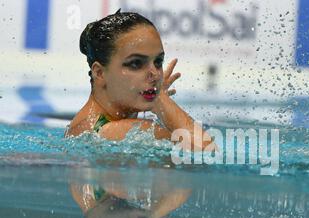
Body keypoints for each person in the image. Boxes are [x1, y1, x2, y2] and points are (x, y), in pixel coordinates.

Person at [65, 10, 210, 150]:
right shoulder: (113, 131)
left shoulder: (91, 125)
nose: (155, 74)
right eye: (136, 63)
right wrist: (160, 98)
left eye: (158, 61)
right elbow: (207, 151)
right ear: (100, 73)